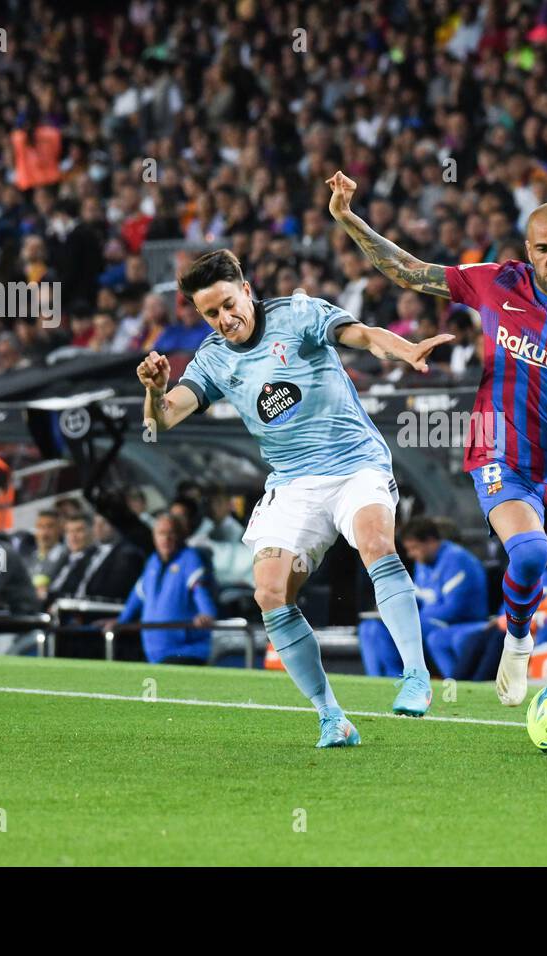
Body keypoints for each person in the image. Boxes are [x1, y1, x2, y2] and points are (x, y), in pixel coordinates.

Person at [329, 171, 547, 746]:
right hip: (499, 450)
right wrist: (350, 220)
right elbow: (410, 270)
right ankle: (518, 636)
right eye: (544, 248)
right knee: (528, 552)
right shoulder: (495, 282)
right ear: (529, 251)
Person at [136, 249, 447, 747]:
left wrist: (405, 350)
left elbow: (363, 336)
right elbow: (162, 421)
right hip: (294, 482)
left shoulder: (298, 315)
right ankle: (332, 716)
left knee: (375, 544)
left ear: (245, 287)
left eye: (229, 304)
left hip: (354, 464)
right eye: (210, 313)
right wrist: (155, 391)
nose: (224, 319)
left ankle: (415, 675)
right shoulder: (214, 358)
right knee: (270, 594)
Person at [358, 517, 488, 678]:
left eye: (414, 548)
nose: (410, 554)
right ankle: (378, 681)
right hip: (429, 621)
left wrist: (412, 618)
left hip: (456, 622)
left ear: (431, 541)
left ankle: (399, 678)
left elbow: (455, 608)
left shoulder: (458, 559)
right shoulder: (423, 563)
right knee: (369, 627)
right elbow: (416, 597)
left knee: (397, 628)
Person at [116, 514, 219, 665]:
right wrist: (120, 622)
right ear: (154, 536)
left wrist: (207, 614)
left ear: (179, 536)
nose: (166, 538)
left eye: (171, 532)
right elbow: (137, 596)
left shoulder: (190, 558)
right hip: (154, 654)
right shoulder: (152, 561)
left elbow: (199, 589)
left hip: (185, 652)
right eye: (161, 533)